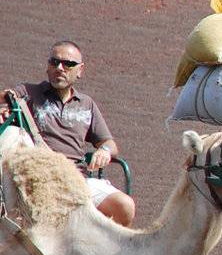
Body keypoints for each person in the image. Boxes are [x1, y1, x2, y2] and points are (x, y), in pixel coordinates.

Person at [6, 41, 136, 225]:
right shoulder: (29, 93)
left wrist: (104, 151)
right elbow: (5, 98)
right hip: (42, 178)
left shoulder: (86, 104)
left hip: (79, 179)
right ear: (47, 66)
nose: (60, 68)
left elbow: (109, 142)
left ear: (80, 70)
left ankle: (96, 252)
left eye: (68, 64)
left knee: (125, 206)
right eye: (54, 62)